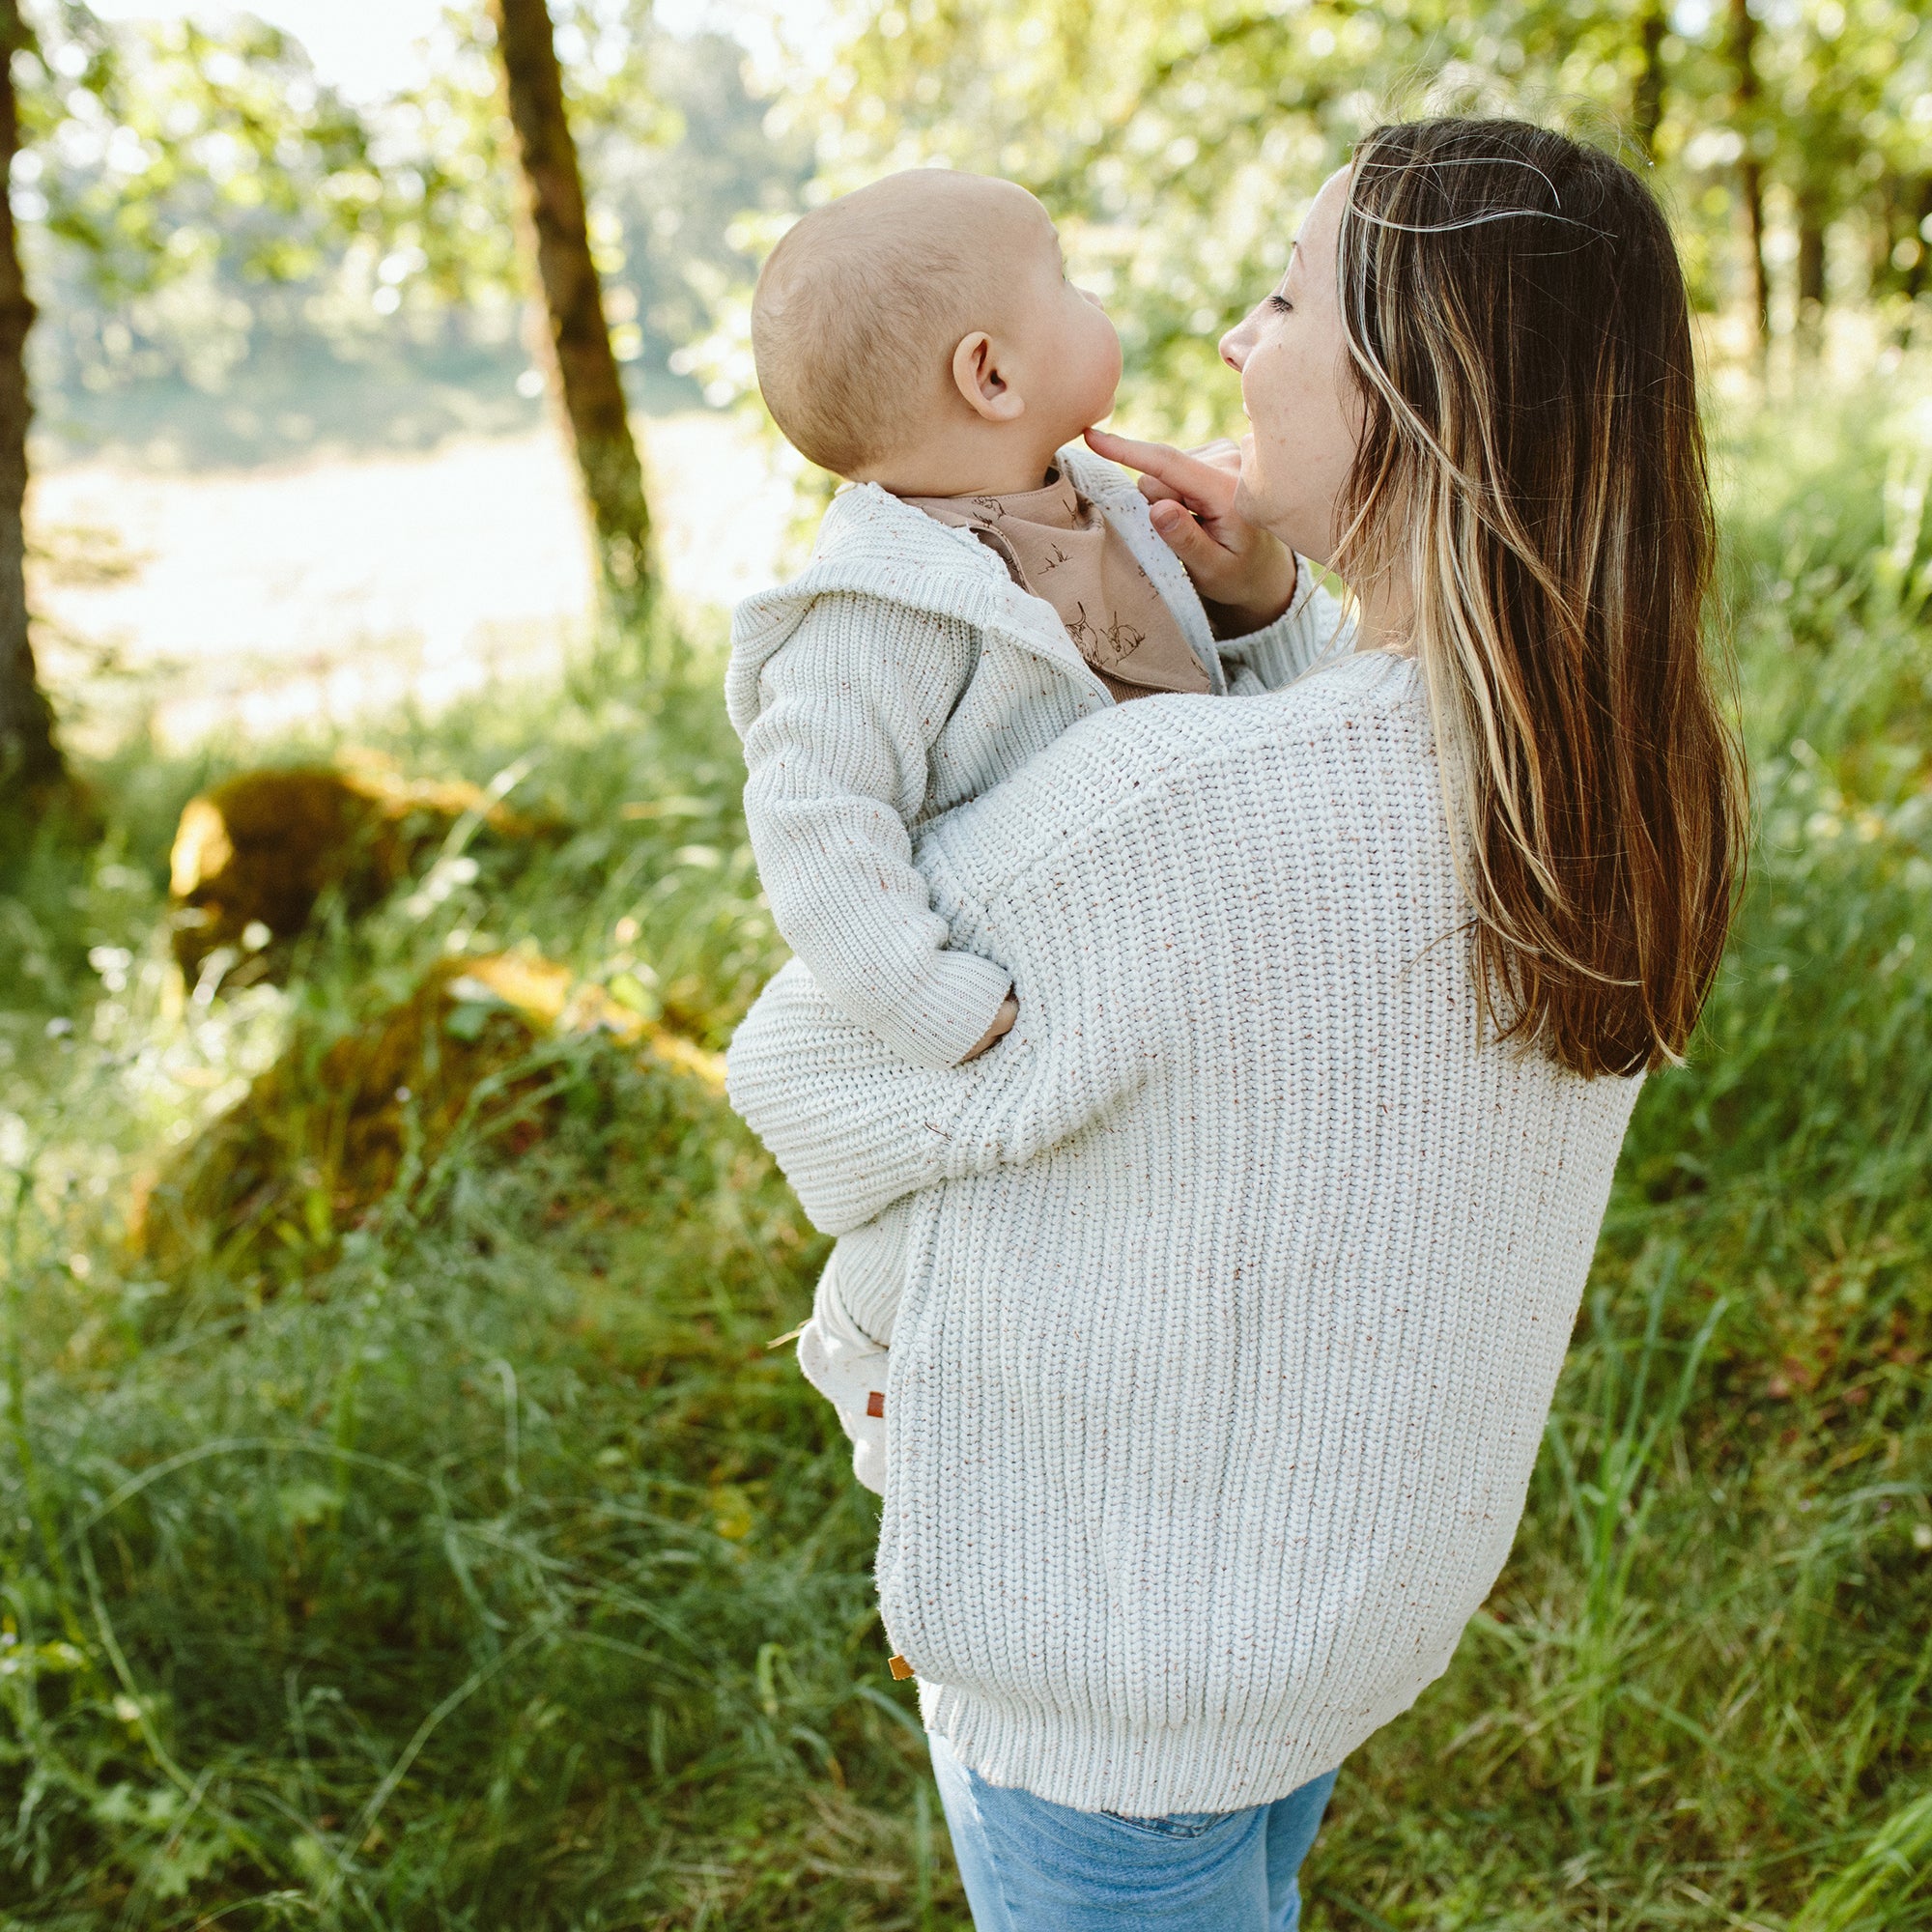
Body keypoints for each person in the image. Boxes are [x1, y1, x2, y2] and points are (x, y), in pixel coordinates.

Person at [727, 116, 1747, 1931]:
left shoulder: (1178, 829)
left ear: (1414, 395)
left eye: (1286, 297)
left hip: (1118, 1675)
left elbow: (801, 1068)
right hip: (1345, 1612)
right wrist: (1267, 614)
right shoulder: (1613, 785)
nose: (1233, 343)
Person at [727, 169, 1318, 1482]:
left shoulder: (1103, 506)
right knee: (964, 1219)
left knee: (1118, 1219)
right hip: (999, 1001)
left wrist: (1258, 599)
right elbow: (815, 823)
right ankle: (883, 1361)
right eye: (1067, 277)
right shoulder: (877, 610)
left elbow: (1247, 726)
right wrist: (935, 1000)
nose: (1094, 295)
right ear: (990, 373)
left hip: (1140, 967)